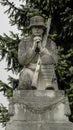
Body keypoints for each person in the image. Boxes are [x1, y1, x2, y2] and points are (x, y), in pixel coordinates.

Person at [18, 15, 58, 90]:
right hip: (30, 71)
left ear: (43, 29)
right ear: (31, 29)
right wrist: (33, 49)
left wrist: (42, 49)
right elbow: (21, 61)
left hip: (46, 74)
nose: (37, 29)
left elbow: (54, 60)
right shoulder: (24, 42)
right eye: (35, 27)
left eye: (39, 27)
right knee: (25, 78)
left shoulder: (50, 43)